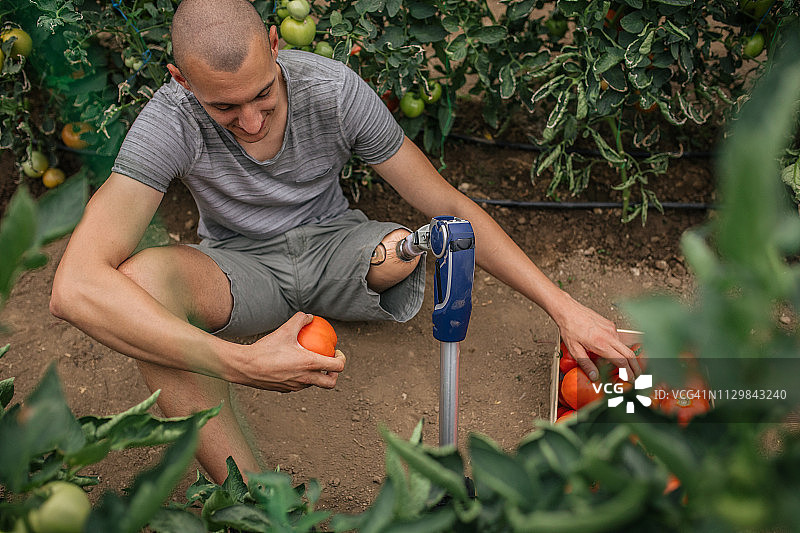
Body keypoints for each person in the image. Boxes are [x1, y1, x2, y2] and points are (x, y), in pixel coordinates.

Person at [50, 0, 640, 483]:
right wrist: (242, 363)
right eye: (224, 107)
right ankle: (256, 503)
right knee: (139, 286)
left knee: (403, 248)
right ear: (181, 80)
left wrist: (563, 307)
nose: (251, 121)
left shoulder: (332, 90)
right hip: (238, 269)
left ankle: (389, 260)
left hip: (339, 248)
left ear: (275, 46)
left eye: (263, 95)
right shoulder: (170, 119)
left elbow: (449, 207)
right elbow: (74, 288)